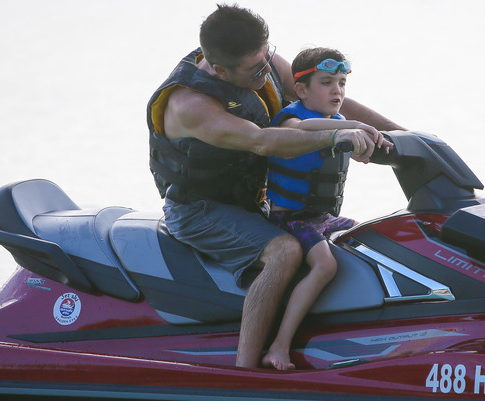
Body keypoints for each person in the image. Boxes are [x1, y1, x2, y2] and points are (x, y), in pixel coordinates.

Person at [146, 4, 403, 369]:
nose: (268, 70)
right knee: (284, 251)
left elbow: (327, 104)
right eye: (257, 68)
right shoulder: (191, 105)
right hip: (199, 210)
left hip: (256, 202)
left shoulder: (257, 59)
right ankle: (246, 370)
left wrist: (406, 138)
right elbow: (262, 141)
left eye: (268, 57)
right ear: (220, 70)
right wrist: (337, 138)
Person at [261, 48, 383, 370]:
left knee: (373, 238)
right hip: (289, 218)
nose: (337, 91)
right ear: (301, 89)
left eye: (342, 83)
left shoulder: (339, 123)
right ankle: (279, 346)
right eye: (327, 82)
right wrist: (354, 125)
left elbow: (355, 151)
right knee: (325, 266)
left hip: (322, 218)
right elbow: (301, 132)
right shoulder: (292, 117)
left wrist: (377, 143)